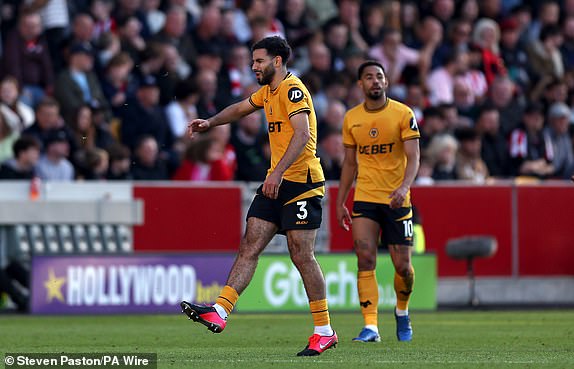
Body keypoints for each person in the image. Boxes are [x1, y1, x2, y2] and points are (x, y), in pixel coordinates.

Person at [180, 36, 337, 356]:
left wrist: (277, 173)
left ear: (277, 62)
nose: (253, 66)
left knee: (300, 253)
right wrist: (210, 122)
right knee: (250, 243)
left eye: (259, 61)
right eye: (253, 61)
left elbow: (303, 134)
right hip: (276, 180)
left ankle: (324, 330)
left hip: (302, 182)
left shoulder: (294, 90)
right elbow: (240, 109)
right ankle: (220, 311)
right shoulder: (268, 92)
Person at [336, 60, 420, 343]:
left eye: (379, 76)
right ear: (360, 84)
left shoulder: (402, 113)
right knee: (365, 258)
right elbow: (349, 164)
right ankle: (370, 326)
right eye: (369, 77)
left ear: (386, 81)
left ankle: (402, 310)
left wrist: (404, 187)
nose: (375, 81)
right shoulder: (351, 118)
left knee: (403, 268)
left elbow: (414, 156)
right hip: (366, 198)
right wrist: (340, 201)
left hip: (397, 199)